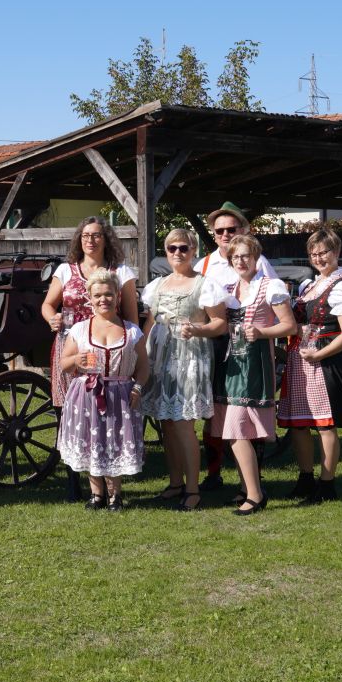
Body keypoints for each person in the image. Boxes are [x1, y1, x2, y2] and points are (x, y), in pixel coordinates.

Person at [277, 225, 342, 505]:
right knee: (299, 424)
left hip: (324, 362)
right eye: (314, 254)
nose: (319, 258)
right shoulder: (308, 286)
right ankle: (305, 478)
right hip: (300, 360)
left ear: (337, 252)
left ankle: (327, 483)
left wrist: (319, 355)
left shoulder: (341, 287)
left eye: (324, 253)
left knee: (324, 425)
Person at [42, 215, 138, 500]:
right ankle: (74, 481)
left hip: (110, 348)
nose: (90, 240)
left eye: (96, 235)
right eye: (85, 235)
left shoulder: (121, 272)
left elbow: (131, 316)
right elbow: (48, 305)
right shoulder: (65, 270)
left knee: (106, 414)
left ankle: (109, 482)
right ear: (79, 239)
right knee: (70, 411)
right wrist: (52, 318)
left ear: (106, 239)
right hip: (71, 346)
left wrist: (131, 351)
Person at [194, 201, 278, 494]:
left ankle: (254, 480)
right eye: (219, 231)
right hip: (213, 343)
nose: (225, 234)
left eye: (231, 229)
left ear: (243, 229)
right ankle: (214, 473)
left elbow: (273, 305)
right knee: (214, 412)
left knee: (244, 413)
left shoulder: (259, 262)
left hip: (248, 346)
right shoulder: (203, 265)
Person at [141, 228, 228, 511]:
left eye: (183, 248)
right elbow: (149, 324)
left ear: (193, 251)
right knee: (166, 423)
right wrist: (141, 356)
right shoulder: (158, 285)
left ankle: (193, 488)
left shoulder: (205, 284)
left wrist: (198, 329)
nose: (177, 253)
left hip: (190, 356)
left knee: (183, 423)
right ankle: (175, 482)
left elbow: (220, 323)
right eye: (172, 248)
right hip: (160, 357)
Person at [211, 235, 295, 514]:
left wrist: (261, 332)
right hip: (231, 365)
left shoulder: (271, 286)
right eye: (235, 257)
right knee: (234, 431)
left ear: (256, 257)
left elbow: (290, 326)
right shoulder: (229, 289)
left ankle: (255, 495)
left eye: (245, 255)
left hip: (255, 364)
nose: (240, 261)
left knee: (237, 429)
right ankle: (247, 488)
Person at [57, 269, 150, 511]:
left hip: (121, 394)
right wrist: (76, 360)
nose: (103, 299)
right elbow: (64, 364)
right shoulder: (79, 329)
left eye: (108, 294)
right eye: (97, 295)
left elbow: (144, 367)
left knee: (115, 439)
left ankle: (115, 495)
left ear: (118, 296)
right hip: (87, 392)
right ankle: (96, 494)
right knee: (91, 439)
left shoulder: (132, 331)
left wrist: (137, 387)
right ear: (89, 297)